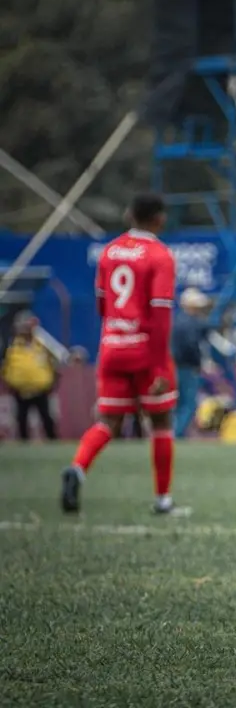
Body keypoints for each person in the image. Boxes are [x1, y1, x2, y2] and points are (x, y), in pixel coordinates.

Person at [62, 194, 180, 515]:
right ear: (159, 219)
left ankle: (77, 468)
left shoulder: (109, 252)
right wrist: (159, 368)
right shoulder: (160, 256)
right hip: (144, 349)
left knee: (108, 422)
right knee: (161, 420)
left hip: (112, 346)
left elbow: (102, 305)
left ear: (128, 214)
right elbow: (160, 316)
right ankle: (162, 499)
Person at [1, 310, 60, 441]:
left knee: (47, 418)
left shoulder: (42, 344)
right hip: (20, 391)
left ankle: (53, 442)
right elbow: (5, 366)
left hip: (41, 390)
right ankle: (24, 443)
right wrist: (10, 382)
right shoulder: (10, 345)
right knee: (21, 419)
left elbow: (56, 362)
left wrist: (52, 383)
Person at [172, 288, 211, 439]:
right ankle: (177, 433)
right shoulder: (192, 323)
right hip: (188, 367)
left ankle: (173, 432)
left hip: (174, 366)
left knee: (177, 403)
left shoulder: (177, 321)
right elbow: (192, 345)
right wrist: (198, 362)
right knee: (188, 403)